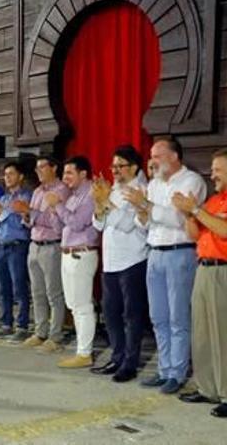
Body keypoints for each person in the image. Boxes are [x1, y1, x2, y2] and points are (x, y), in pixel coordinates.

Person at [126, 139, 206, 394]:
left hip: (179, 253)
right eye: (151, 155)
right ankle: (164, 369)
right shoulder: (154, 184)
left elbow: (178, 219)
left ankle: (178, 372)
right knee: (158, 317)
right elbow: (145, 224)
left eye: (157, 155)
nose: (152, 160)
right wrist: (141, 210)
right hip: (155, 254)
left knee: (177, 317)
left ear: (173, 156)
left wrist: (147, 207)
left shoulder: (191, 181)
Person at [174, 148, 227, 418]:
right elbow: (197, 235)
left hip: (223, 272)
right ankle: (208, 388)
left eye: (218, 170)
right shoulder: (215, 200)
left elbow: (225, 231)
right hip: (204, 269)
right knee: (203, 332)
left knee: (223, 334)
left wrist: (195, 208)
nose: (212, 174)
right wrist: (188, 215)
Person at [90, 145, 149, 382]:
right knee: (111, 313)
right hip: (111, 262)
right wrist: (99, 205)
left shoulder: (141, 190)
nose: (115, 170)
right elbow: (99, 225)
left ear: (134, 167)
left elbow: (127, 224)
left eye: (120, 166)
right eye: (113, 166)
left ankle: (130, 363)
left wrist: (107, 202)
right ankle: (116, 357)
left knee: (132, 315)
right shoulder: (112, 190)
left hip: (133, 259)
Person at [16, 156, 69, 352]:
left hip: (52, 245)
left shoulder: (62, 190)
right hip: (34, 244)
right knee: (37, 293)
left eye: (42, 167)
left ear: (54, 168)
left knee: (54, 293)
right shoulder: (37, 191)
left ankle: (55, 336)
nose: (38, 171)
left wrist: (32, 212)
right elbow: (32, 220)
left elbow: (56, 222)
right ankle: (40, 332)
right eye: (36, 168)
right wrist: (26, 214)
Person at [51, 156, 99, 368]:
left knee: (82, 305)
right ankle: (81, 349)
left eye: (69, 173)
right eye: (64, 173)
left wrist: (58, 206)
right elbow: (60, 228)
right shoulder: (71, 197)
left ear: (83, 173)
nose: (65, 178)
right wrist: (54, 210)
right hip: (68, 253)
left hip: (82, 253)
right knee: (73, 305)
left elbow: (78, 223)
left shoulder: (90, 194)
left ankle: (84, 353)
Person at [0, 161, 33, 341]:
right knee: (3, 287)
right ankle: (6, 323)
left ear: (20, 176)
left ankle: (22, 325)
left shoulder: (27, 197)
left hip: (17, 245)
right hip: (0, 245)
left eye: (11, 174)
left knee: (19, 287)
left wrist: (3, 214)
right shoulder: (4, 199)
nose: (7, 177)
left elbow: (23, 224)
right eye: (5, 174)